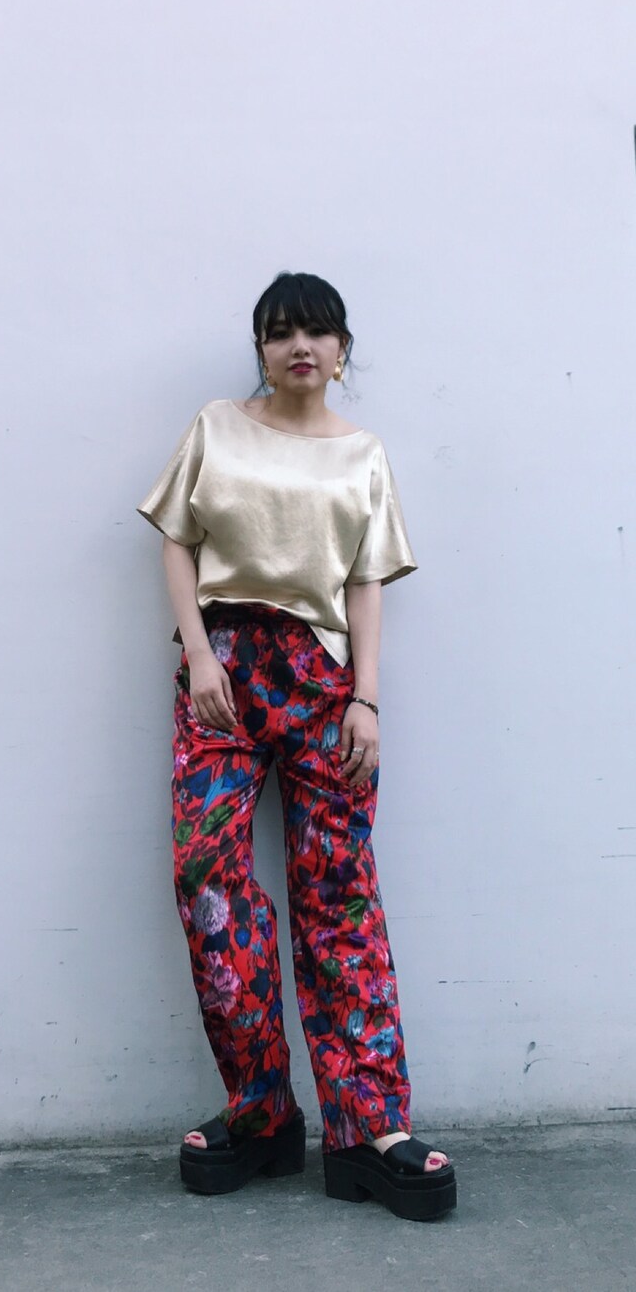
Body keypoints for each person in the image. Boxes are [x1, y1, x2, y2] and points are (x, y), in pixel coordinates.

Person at [136, 272, 456, 1221]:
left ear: (343, 348)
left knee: (338, 894)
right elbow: (177, 541)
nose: (299, 346)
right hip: (224, 673)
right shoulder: (216, 427)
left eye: (316, 331)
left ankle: (371, 1130)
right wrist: (199, 653)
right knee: (207, 879)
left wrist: (366, 700)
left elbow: (365, 581)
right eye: (281, 333)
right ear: (262, 349)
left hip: (324, 681)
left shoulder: (362, 455)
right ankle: (262, 1112)